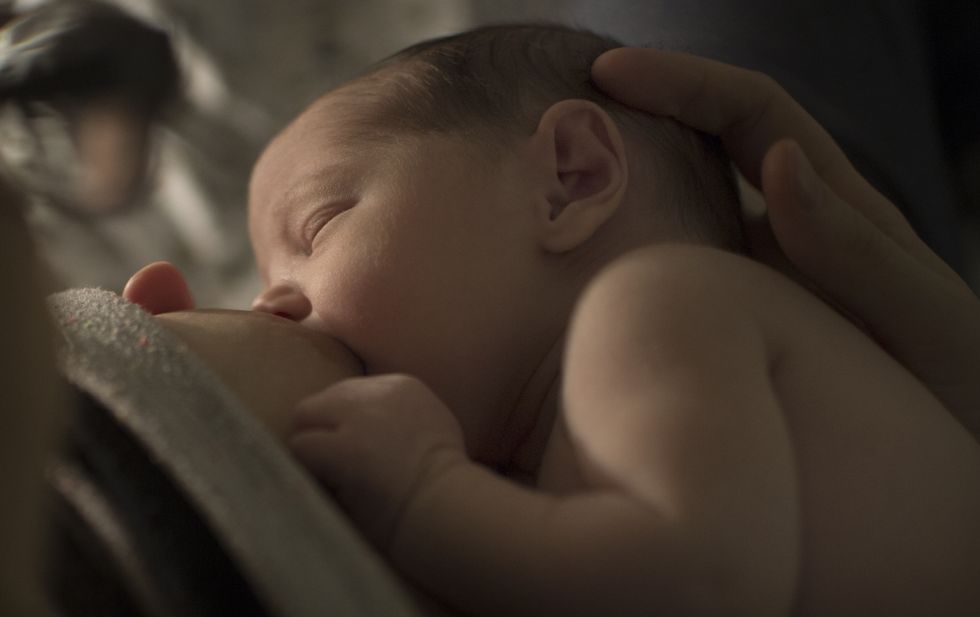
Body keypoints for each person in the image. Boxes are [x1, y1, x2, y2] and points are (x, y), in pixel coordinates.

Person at [122, 24, 980, 617]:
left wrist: (428, 493)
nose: (271, 301)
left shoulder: (659, 304)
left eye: (316, 228)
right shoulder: (550, 481)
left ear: (568, 178)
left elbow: (695, 588)